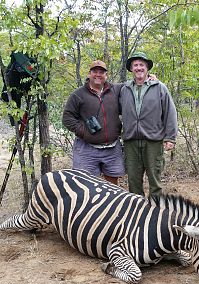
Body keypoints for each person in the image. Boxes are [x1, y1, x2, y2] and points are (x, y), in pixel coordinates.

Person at [119, 52, 178, 196]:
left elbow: (170, 112)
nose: (139, 68)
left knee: (155, 180)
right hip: (131, 142)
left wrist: (170, 137)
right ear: (131, 69)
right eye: (135, 65)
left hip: (153, 141)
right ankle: (138, 214)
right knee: (133, 181)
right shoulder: (124, 89)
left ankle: (155, 212)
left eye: (141, 65)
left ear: (147, 68)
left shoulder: (159, 87)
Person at [62, 60, 125, 185]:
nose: (98, 75)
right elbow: (67, 118)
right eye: (95, 71)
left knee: (113, 186)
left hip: (112, 148)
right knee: (85, 186)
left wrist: (149, 78)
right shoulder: (78, 94)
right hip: (87, 149)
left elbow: (134, 84)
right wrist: (84, 132)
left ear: (106, 75)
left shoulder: (115, 90)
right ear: (89, 74)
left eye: (101, 72)